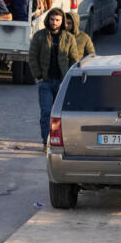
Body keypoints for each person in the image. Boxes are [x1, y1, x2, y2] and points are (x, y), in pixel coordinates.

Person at [29, 8, 77, 149]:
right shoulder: (39, 36)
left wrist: (70, 80)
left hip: (63, 83)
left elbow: (74, 60)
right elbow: (32, 57)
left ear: (62, 22)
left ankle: (60, 142)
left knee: (61, 115)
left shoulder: (69, 38)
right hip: (46, 83)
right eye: (52, 19)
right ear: (48, 20)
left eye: (57, 20)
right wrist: (39, 76)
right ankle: (46, 142)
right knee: (46, 113)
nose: (54, 23)